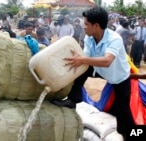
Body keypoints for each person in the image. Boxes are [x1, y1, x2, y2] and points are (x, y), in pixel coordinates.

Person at [50, 6, 134, 140]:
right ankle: (72, 100)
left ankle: (132, 134)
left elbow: (107, 61)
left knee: (123, 111)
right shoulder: (89, 38)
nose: (84, 27)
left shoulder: (114, 39)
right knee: (81, 68)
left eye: (86, 24)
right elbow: (87, 58)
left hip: (119, 77)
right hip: (100, 70)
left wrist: (81, 59)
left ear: (96, 26)